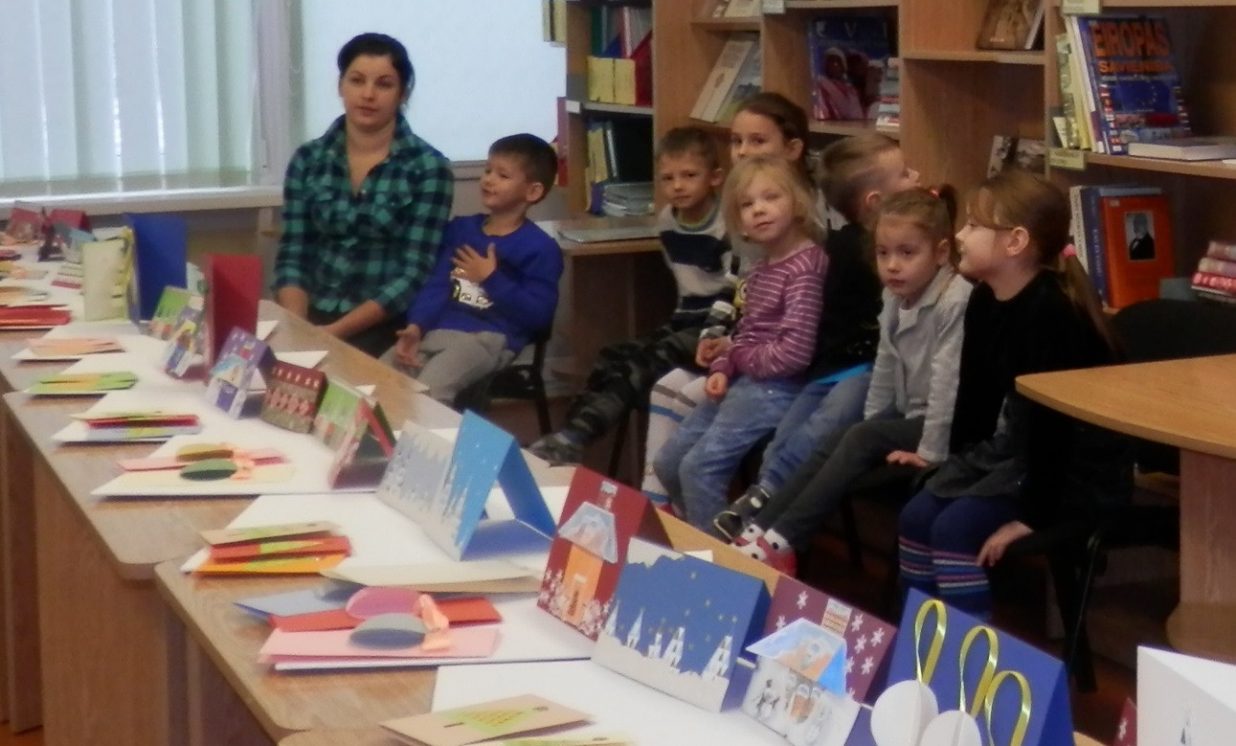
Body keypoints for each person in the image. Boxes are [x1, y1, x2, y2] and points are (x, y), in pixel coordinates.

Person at [897, 170, 1131, 617]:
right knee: (916, 515)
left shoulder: (1053, 313)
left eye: (973, 225)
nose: (960, 235)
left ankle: (966, 651)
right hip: (1020, 455)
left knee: (952, 528)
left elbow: (1055, 430)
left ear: (1016, 242)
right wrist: (957, 469)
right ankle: (918, 643)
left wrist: (1031, 517)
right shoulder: (984, 300)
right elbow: (976, 403)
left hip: (1073, 472)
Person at [722, 187, 972, 575]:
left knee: (860, 437)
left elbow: (947, 383)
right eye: (883, 253)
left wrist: (932, 450)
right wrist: (871, 422)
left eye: (907, 253)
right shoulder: (894, 296)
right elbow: (885, 365)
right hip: (910, 415)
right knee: (840, 437)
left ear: (941, 253)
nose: (892, 266)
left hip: (947, 426)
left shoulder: (954, 300)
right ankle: (760, 526)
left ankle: (782, 541)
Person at [720, 133, 919, 531]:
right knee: (789, 434)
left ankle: (763, 509)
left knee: (823, 426)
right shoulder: (851, 250)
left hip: (864, 374)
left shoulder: (885, 250)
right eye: (904, 174)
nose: (915, 176)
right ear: (874, 202)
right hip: (832, 367)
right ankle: (762, 511)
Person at [640, 92, 812, 505]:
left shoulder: (801, 251)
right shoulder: (755, 240)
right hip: (742, 364)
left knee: (694, 458)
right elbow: (737, 301)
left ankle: (688, 527)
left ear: (792, 150)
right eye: (736, 142)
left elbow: (790, 345)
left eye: (758, 141)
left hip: (772, 379)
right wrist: (719, 348)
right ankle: (659, 512)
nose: (743, 152)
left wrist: (733, 355)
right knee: (667, 424)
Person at [527, 127, 731, 471]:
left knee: (646, 361)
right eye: (668, 178)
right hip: (684, 318)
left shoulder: (727, 224)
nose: (678, 186)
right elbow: (685, 285)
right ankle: (570, 440)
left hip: (717, 325)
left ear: (715, 178)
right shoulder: (667, 221)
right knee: (611, 357)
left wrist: (711, 331)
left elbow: (733, 290)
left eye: (689, 176)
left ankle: (577, 436)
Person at [654, 155, 828, 528]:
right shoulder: (760, 266)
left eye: (771, 198)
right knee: (667, 463)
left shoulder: (806, 266)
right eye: (747, 205)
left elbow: (794, 354)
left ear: (798, 202)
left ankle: (715, 557)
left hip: (777, 389)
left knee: (698, 470)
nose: (758, 210)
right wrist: (723, 365)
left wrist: (737, 355)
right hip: (745, 381)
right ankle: (706, 537)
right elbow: (745, 330)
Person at [274, 32, 453, 358]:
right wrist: (300, 328)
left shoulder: (429, 167)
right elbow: (293, 253)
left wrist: (332, 334)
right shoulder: (308, 159)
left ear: (402, 93)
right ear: (340, 86)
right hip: (310, 314)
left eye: (384, 84)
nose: (368, 94)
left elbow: (414, 272)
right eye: (357, 81)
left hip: (385, 324)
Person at [382, 134, 562, 404]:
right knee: (379, 377)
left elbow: (538, 315)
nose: (489, 179)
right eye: (488, 170)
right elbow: (436, 285)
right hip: (438, 331)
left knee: (428, 393)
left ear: (533, 192)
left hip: (487, 338)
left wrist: (491, 278)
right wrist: (417, 326)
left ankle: (431, 434)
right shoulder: (461, 229)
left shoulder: (540, 248)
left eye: (502, 175)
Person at [817, 47, 865, 121]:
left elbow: (857, 113)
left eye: (838, 61)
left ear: (843, 66)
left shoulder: (851, 90)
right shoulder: (821, 84)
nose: (835, 64)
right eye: (831, 61)